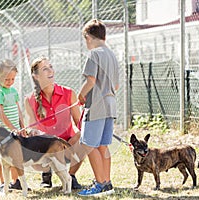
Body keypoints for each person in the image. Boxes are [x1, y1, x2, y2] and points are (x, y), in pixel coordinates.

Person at [24, 56, 83, 190]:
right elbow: (32, 130)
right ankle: (46, 173)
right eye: (45, 69)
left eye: (51, 67)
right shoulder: (29, 100)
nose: (51, 71)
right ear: (36, 76)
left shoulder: (68, 93)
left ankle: (71, 176)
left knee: (85, 136)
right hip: (45, 150)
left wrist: (86, 133)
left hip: (67, 146)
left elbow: (79, 122)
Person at [77, 19, 119, 196]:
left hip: (96, 106)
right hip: (111, 105)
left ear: (88, 37)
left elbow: (91, 81)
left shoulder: (94, 54)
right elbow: (116, 86)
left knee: (88, 145)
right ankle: (107, 183)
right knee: (103, 145)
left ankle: (100, 184)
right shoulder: (112, 54)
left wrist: (81, 95)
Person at [0, 59, 27, 193]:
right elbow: (0, 113)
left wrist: (22, 127)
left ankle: (15, 181)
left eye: (12, 79)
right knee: (5, 158)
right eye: (7, 79)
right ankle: (3, 183)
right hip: (3, 133)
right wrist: (11, 128)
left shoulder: (13, 91)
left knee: (16, 156)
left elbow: (18, 110)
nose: (10, 82)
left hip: (15, 130)